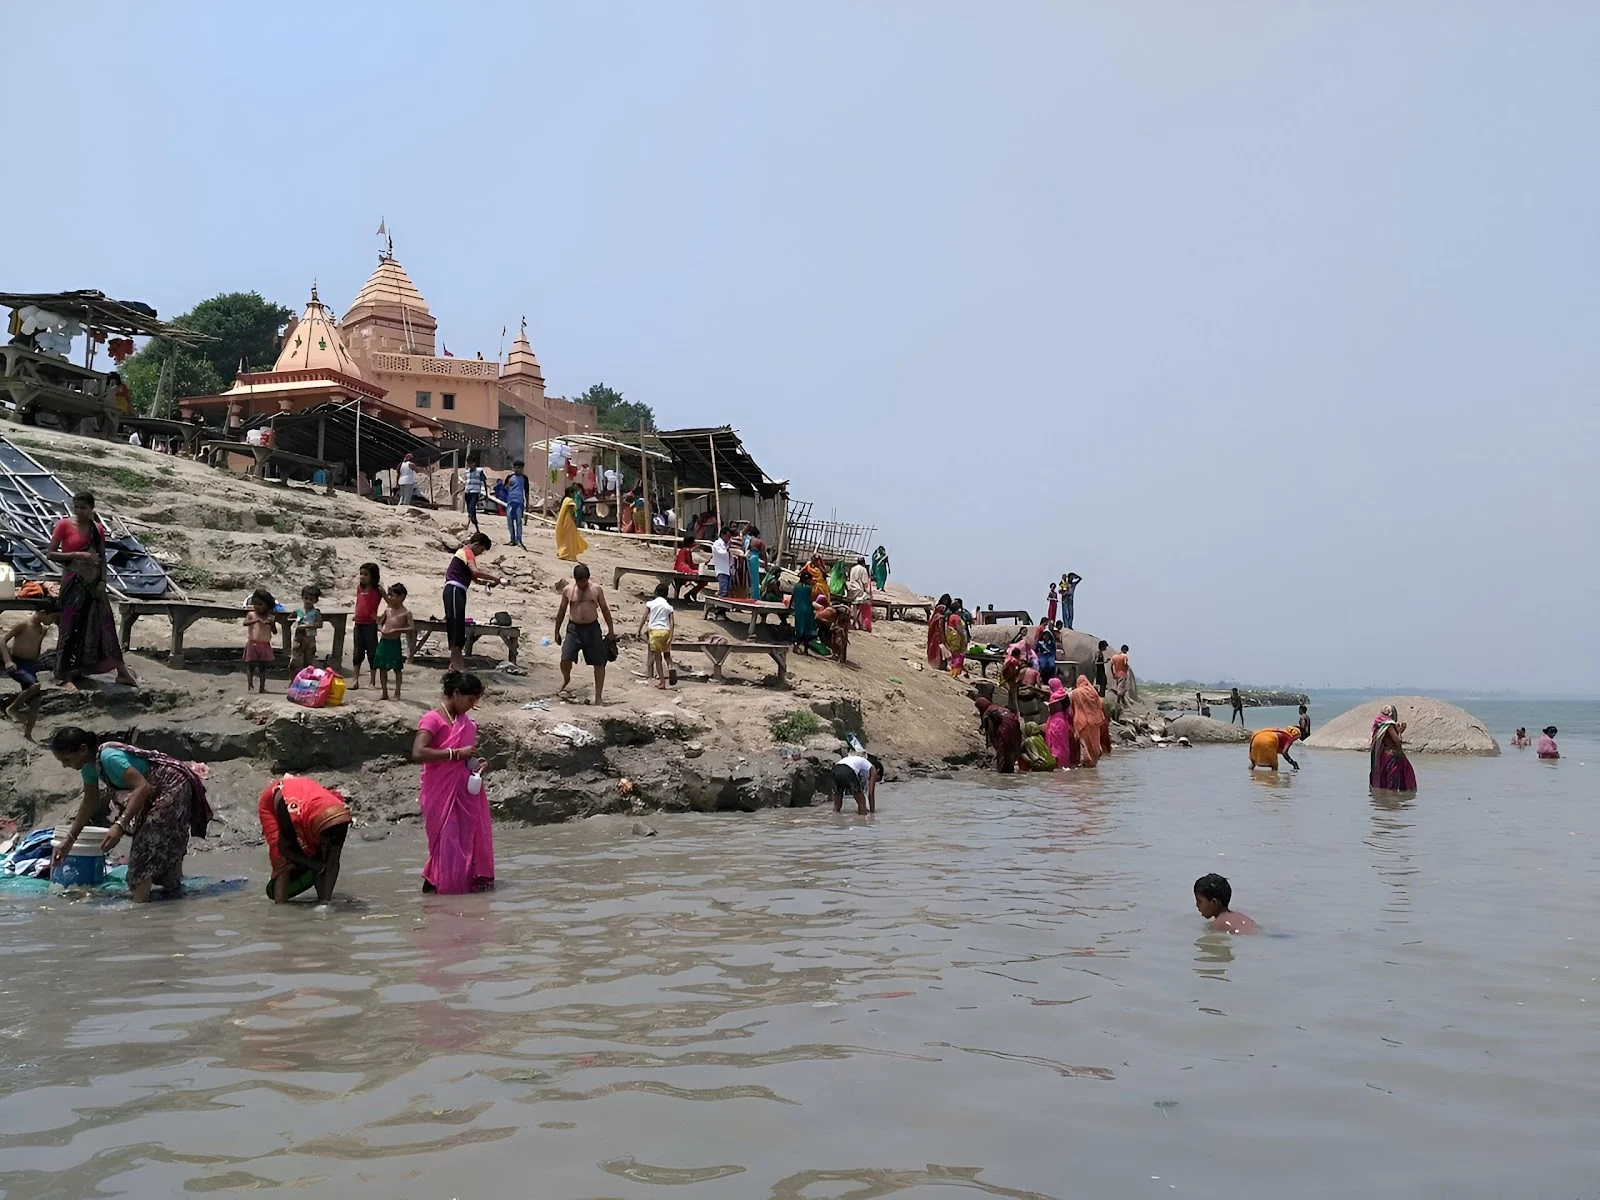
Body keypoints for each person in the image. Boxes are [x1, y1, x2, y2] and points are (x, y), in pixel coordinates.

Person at [49, 726, 209, 904]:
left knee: (146, 845)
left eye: (67, 759)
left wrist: (119, 825)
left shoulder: (109, 757)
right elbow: (89, 801)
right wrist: (70, 839)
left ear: (83, 749)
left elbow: (143, 787)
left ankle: (140, 907)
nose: (65, 765)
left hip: (173, 786)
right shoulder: (89, 766)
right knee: (152, 841)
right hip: (154, 791)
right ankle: (170, 897)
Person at [412, 671, 493, 893]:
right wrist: (455, 754)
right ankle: (442, 887)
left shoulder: (466, 723)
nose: (472, 705)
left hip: (463, 791)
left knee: (465, 842)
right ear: (456, 694)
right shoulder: (433, 719)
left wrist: (475, 764)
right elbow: (418, 752)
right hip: (439, 792)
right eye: (470, 700)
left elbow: (464, 757)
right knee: (445, 844)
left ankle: (454, 894)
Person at [48, 490, 136, 688]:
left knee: (104, 627)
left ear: (91, 509)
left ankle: (121, 671)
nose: (79, 511)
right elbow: (51, 554)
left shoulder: (97, 529)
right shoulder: (64, 525)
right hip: (73, 582)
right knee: (69, 627)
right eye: (76, 507)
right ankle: (64, 674)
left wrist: (103, 582)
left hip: (94, 584)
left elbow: (103, 558)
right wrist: (79, 554)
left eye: (84, 508)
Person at [257, 774, 351, 903]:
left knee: (324, 854)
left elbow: (333, 861)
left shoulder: (341, 818)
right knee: (280, 858)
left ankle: (323, 899)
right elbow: (285, 849)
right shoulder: (286, 808)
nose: (328, 841)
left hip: (315, 806)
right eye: (326, 837)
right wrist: (314, 866)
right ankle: (280, 908)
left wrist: (325, 904)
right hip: (276, 799)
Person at [555, 563, 616, 703]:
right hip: (574, 629)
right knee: (565, 658)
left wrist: (611, 630)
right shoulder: (568, 590)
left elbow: (605, 610)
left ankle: (598, 697)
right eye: (579, 581)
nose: (582, 585)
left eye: (584, 581)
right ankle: (566, 678)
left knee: (599, 662)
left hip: (592, 628)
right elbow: (561, 611)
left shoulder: (596, 589)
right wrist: (556, 631)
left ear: (588, 578)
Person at [3, 602, 57, 740]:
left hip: (30, 666)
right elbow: (2, 640)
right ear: (43, 613)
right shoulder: (24, 623)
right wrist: (8, 661)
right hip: (17, 664)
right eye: (52, 618)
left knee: (36, 700)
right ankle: (12, 708)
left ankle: (28, 734)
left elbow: (37, 648)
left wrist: (36, 663)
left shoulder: (42, 629)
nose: (53, 622)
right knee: (35, 686)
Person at [376, 583, 412, 700]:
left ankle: (397, 693)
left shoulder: (406, 613)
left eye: (392, 596)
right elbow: (379, 622)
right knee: (381, 666)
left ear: (401, 597)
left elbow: (411, 627)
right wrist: (381, 629)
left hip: (394, 642)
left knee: (397, 668)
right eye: (389, 595)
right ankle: (384, 692)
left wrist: (396, 630)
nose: (390, 598)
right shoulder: (388, 610)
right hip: (384, 641)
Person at [1369, 704, 1417, 792]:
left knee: (1386, 781)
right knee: (1394, 781)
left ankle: (1382, 799)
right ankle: (1393, 801)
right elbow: (1398, 741)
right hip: (1393, 757)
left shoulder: (1380, 724)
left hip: (1385, 756)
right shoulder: (1389, 725)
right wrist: (1400, 732)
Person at [637, 581, 675, 690]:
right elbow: (672, 622)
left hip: (655, 632)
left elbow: (644, 617)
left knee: (657, 658)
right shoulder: (669, 606)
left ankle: (662, 682)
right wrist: (671, 636)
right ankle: (672, 667)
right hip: (666, 631)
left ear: (655, 592)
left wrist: (639, 630)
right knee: (667, 654)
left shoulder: (651, 604)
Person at [350, 563, 382, 691]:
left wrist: (380, 617)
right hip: (358, 623)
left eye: (366, 574)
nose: (362, 577)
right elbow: (359, 603)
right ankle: (355, 680)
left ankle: (372, 682)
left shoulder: (377, 590)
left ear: (373, 576)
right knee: (357, 652)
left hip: (370, 625)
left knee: (372, 653)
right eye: (361, 574)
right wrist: (356, 614)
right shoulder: (360, 588)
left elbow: (390, 602)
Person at [1194, 873, 1258, 934]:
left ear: (1214, 902)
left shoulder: (1218, 924)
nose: (1197, 905)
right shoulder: (1239, 916)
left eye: (1199, 901)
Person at [974, 697, 1023, 773]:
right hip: (1015, 725)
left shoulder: (987, 713)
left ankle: (1003, 769)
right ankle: (1010, 767)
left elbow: (990, 729)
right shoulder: (998, 707)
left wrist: (991, 742)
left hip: (1004, 727)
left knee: (1003, 748)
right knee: (1012, 747)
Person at [242, 589, 277, 693]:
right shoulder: (251, 614)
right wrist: (256, 620)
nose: (257, 606)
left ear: (267, 605)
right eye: (255, 604)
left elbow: (274, 632)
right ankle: (250, 685)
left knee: (262, 667)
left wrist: (271, 624)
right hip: (253, 643)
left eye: (260, 604)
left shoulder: (270, 617)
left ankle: (262, 687)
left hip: (265, 644)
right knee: (250, 665)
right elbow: (245, 623)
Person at [1072, 673, 1109, 767]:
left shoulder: (1076, 693)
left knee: (1084, 744)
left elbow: (1072, 707)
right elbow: (1099, 705)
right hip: (1095, 721)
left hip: (1081, 722)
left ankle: (1087, 766)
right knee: (1094, 743)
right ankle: (1093, 764)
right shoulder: (1094, 692)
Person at [1044, 677, 1077, 767]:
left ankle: (1057, 765)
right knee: (1063, 745)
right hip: (1063, 721)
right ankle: (1064, 764)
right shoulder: (1064, 694)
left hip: (1055, 722)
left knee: (1055, 746)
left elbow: (1052, 710)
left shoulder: (1054, 697)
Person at [792, 558, 820, 653]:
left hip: (799, 611)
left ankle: (796, 646)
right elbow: (810, 600)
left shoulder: (796, 586)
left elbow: (793, 598)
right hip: (807, 610)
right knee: (808, 630)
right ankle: (806, 650)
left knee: (799, 629)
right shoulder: (808, 588)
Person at [290, 586, 322, 671]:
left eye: (311, 599)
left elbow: (319, 624)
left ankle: (306, 679)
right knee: (295, 660)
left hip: (309, 638)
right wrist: (296, 620)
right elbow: (289, 618)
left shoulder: (316, 612)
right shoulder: (298, 610)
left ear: (315, 600)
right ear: (302, 597)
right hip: (298, 637)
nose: (308, 601)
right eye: (306, 598)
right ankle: (294, 680)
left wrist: (307, 626)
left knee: (308, 661)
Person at [555, 488, 589, 561]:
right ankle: (567, 554)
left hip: (565, 521)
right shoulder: (569, 500)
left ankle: (563, 552)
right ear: (570, 493)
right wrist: (575, 520)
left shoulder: (565, 499)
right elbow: (571, 511)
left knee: (565, 539)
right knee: (569, 539)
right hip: (569, 521)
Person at [504, 459, 530, 548]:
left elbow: (526, 492)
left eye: (521, 468)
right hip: (510, 502)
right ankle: (512, 539)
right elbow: (504, 489)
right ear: (514, 468)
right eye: (517, 468)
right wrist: (508, 485)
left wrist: (527, 505)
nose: (519, 470)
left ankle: (519, 540)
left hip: (519, 503)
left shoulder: (524, 478)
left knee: (519, 522)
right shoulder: (509, 477)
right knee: (510, 521)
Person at [673, 535, 707, 601]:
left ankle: (689, 592)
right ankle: (692, 592)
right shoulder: (687, 550)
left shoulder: (682, 550)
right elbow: (689, 562)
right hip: (684, 568)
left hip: (678, 567)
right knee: (702, 578)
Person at [927, 594, 952, 669]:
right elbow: (941, 628)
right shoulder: (940, 616)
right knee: (938, 649)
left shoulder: (935, 615)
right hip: (938, 635)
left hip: (933, 634)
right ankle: (938, 665)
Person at [463, 460, 487, 530]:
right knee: (470, 510)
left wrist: (486, 493)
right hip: (467, 492)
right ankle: (476, 527)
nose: (469, 465)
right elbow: (466, 483)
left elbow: (484, 482)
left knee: (472, 507)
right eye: (468, 463)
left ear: (474, 463)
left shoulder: (479, 471)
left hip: (475, 492)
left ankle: (473, 521)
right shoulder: (466, 472)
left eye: (471, 463)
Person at [711, 527, 732, 598]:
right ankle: (720, 607)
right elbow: (722, 553)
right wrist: (729, 550)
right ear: (723, 535)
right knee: (723, 592)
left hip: (728, 570)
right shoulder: (717, 543)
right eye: (728, 536)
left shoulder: (726, 545)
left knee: (727, 591)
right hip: (722, 570)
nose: (729, 538)